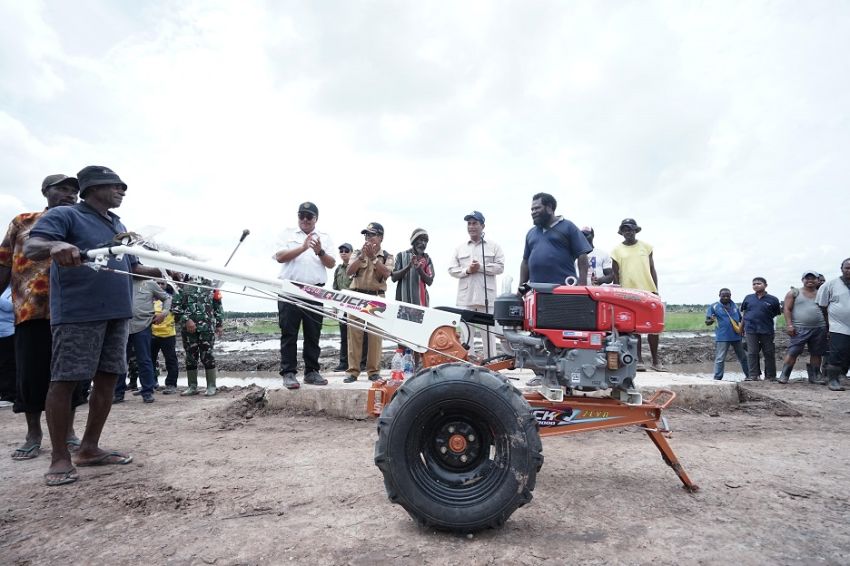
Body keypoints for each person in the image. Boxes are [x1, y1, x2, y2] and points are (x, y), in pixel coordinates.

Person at [24, 165, 163, 486]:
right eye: (115, 185)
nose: (122, 190)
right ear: (91, 187)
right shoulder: (67, 216)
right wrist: (56, 247)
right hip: (78, 312)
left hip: (118, 312)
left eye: (123, 186)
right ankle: (60, 457)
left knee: (107, 378)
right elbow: (34, 246)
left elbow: (133, 266)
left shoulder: (116, 223)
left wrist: (168, 272)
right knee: (65, 380)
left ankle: (89, 448)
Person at [0, 174, 87, 462]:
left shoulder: (82, 223)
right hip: (31, 310)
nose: (69, 194)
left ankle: (68, 432)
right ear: (45, 191)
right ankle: (33, 434)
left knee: (71, 375)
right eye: (62, 189)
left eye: (74, 191)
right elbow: (3, 262)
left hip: (73, 310)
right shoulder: (22, 222)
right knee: (31, 375)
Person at [273, 202, 336, 389]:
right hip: (289, 289)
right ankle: (289, 372)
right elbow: (279, 257)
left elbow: (331, 263)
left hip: (315, 292)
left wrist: (320, 251)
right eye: (302, 216)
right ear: (298, 216)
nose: (305, 220)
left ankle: (311, 371)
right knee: (289, 333)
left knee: (313, 333)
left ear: (316, 219)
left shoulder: (324, 237)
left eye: (310, 216)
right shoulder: (287, 233)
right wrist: (303, 247)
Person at [447, 211, 505, 359]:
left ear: (482, 225)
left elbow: (500, 267)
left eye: (475, 223)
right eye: (469, 223)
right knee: (466, 336)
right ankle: (468, 364)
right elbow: (452, 270)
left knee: (489, 335)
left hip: (487, 298)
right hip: (466, 298)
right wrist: (467, 270)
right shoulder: (459, 248)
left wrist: (480, 267)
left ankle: (491, 365)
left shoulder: (494, 246)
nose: (471, 226)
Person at [343, 222, 394, 383]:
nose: (368, 238)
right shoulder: (357, 253)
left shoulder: (387, 256)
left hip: (376, 298)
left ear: (381, 237)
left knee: (375, 336)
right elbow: (349, 271)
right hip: (357, 297)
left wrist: (373, 258)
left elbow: (386, 273)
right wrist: (361, 257)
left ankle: (373, 371)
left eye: (371, 235)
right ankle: (353, 372)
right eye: (366, 235)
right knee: (354, 335)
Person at [611, 218, 661, 370]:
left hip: (648, 289)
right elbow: (615, 274)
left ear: (635, 230)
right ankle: (638, 360)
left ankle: (656, 361)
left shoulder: (646, 247)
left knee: (653, 327)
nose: (628, 232)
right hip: (628, 292)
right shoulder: (616, 251)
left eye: (631, 229)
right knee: (635, 327)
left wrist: (656, 291)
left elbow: (652, 269)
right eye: (625, 229)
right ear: (622, 232)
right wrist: (618, 293)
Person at [113, 276, 173, 403]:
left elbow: (167, 297)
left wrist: (164, 313)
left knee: (144, 359)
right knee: (121, 360)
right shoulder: (121, 279)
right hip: (122, 326)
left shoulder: (150, 284)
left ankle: (147, 392)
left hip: (143, 326)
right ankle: (118, 393)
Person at [519, 193, 591, 288]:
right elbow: (525, 262)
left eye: (537, 208)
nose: (533, 212)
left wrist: (582, 286)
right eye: (532, 209)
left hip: (563, 289)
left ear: (549, 207)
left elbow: (582, 255)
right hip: (536, 290)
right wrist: (520, 289)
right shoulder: (531, 233)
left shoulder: (568, 227)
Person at [172, 276, 223, 396]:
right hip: (189, 329)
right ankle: (192, 386)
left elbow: (218, 305)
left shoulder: (212, 287)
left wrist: (219, 324)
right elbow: (175, 307)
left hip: (207, 328)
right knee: (190, 356)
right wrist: (186, 320)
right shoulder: (182, 286)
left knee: (208, 355)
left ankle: (211, 386)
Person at [779, 271, 828, 384]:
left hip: (819, 328)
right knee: (793, 351)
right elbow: (787, 309)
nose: (810, 280)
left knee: (816, 353)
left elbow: (825, 311)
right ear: (803, 280)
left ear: (818, 280)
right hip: (799, 328)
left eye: (813, 278)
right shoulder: (794, 293)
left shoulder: (821, 293)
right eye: (807, 278)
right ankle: (784, 375)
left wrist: (827, 327)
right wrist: (789, 325)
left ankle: (815, 376)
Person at [816, 258, 850, 391]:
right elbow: (822, 306)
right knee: (837, 352)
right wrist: (829, 323)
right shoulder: (830, 285)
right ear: (841, 269)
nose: (849, 270)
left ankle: (842, 375)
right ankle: (833, 380)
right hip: (839, 325)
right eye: (847, 267)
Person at [332, 243, 366, 372]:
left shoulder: (357, 267)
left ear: (352, 253)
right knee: (344, 336)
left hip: (356, 305)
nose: (343, 252)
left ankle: (362, 363)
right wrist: (334, 306)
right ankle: (343, 362)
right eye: (341, 250)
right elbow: (335, 288)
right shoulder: (338, 269)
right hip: (342, 306)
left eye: (346, 250)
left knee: (360, 335)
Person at [740, 277, 782, 381]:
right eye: (754, 284)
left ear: (765, 285)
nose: (756, 285)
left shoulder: (773, 299)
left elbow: (775, 314)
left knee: (768, 353)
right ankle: (754, 375)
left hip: (766, 330)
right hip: (750, 329)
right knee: (752, 352)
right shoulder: (748, 298)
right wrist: (741, 327)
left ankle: (770, 376)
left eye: (759, 283)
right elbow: (745, 313)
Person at [705, 288, 748, 380]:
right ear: (719, 295)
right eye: (723, 296)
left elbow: (741, 319)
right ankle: (717, 378)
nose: (725, 297)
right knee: (720, 358)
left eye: (727, 296)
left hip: (736, 336)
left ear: (730, 296)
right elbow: (707, 322)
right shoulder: (714, 306)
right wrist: (711, 320)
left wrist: (744, 330)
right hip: (722, 336)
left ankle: (749, 376)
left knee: (743, 357)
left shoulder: (735, 306)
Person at [392, 228, 434, 306]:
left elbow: (430, 281)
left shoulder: (427, 259)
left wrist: (419, 270)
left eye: (425, 241)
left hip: (421, 305)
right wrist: (408, 267)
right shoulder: (401, 256)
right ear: (414, 241)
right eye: (421, 240)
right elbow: (393, 278)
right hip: (402, 303)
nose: (423, 243)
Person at [151, 283, 180, 394]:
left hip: (168, 335)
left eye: (162, 283)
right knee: (150, 360)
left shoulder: (171, 299)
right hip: (152, 334)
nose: (159, 285)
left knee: (171, 360)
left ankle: (171, 385)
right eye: (157, 283)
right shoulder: (150, 299)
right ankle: (152, 383)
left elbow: (177, 316)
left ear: (166, 285)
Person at [0, 288, 15, 407]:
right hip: (2, 332)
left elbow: (11, 307)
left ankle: (9, 395)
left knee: (8, 365)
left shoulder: (11, 288)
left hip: (9, 332)